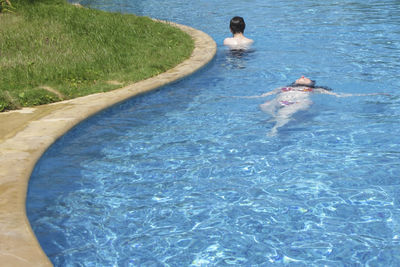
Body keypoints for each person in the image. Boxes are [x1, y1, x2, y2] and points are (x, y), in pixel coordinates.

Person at [246, 76, 385, 136]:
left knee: (284, 114)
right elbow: (261, 96)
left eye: (306, 77)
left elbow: (341, 96)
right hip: (279, 100)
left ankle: (275, 129)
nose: (302, 76)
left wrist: (372, 94)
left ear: (311, 84)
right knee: (263, 105)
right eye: (300, 77)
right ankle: (274, 117)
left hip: (299, 103)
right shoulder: (283, 88)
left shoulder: (315, 90)